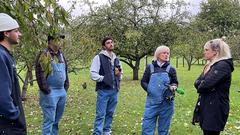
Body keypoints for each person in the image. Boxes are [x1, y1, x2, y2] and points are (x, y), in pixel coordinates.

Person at [193, 38, 234, 135]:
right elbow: (196, 83)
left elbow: (203, 86)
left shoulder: (223, 66)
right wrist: (203, 82)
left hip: (215, 108)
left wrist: (202, 83)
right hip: (208, 105)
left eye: (206, 50)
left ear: (215, 52)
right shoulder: (212, 65)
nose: (204, 52)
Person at [35, 34, 69, 135]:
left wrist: (66, 85)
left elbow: (65, 71)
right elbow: (39, 72)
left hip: (61, 91)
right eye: (58, 39)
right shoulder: (44, 54)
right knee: (49, 120)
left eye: (61, 40)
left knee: (56, 120)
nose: (61, 42)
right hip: (50, 92)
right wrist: (46, 89)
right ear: (50, 41)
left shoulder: (61, 55)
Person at [141, 45, 178, 135]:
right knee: (147, 127)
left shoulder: (171, 69)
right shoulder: (150, 67)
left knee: (163, 129)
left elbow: (174, 82)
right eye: (164, 53)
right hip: (152, 102)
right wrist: (150, 90)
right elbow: (143, 81)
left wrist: (173, 86)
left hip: (167, 103)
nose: (166, 55)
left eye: (168, 53)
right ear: (158, 54)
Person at [0, 13, 27, 134]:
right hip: (8, 126)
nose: (19, 34)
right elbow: (2, 95)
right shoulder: (1, 56)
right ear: (6, 33)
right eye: (16, 31)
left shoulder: (5, 54)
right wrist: (15, 115)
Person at [90, 37, 122, 135]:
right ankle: (97, 132)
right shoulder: (98, 57)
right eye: (108, 43)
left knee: (110, 113)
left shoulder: (116, 58)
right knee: (100, 114)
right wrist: (104, 79)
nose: (111, 44)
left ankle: (107, 131)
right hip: (103, 90)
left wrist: (119, 76)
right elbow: (93, 74)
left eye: (112, 42)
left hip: (115, 90)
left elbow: (121, 72)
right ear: (104, 46)